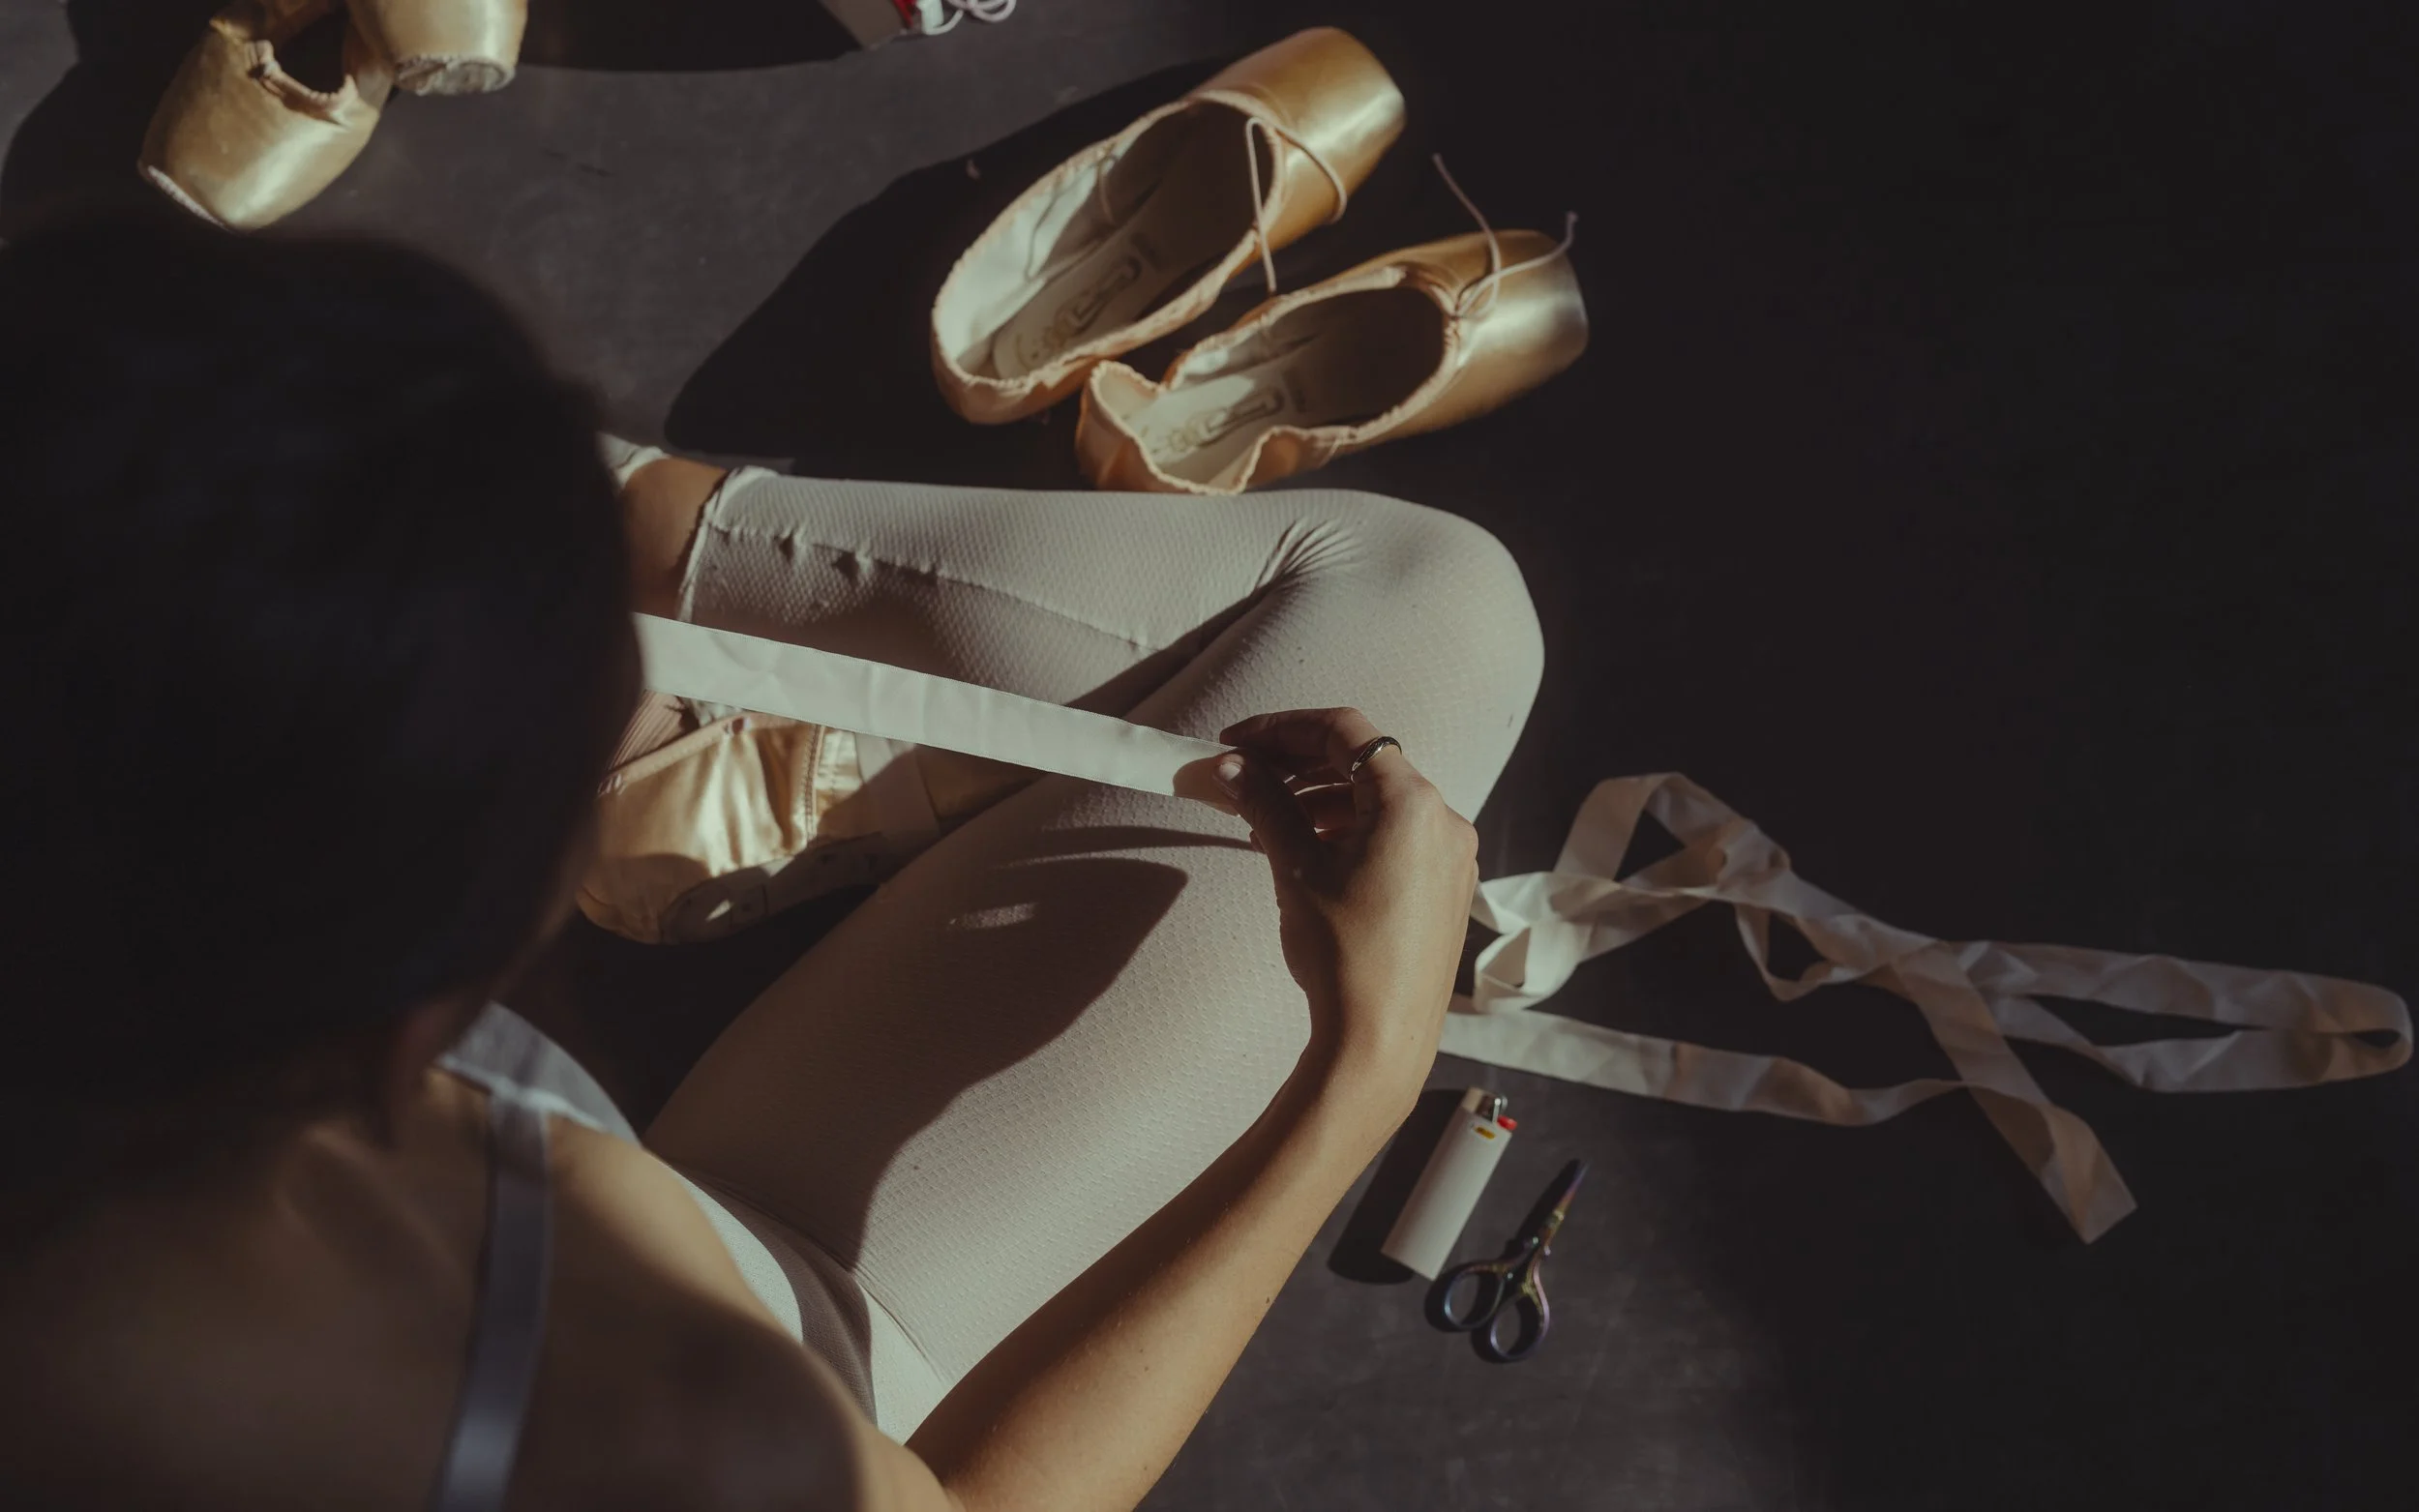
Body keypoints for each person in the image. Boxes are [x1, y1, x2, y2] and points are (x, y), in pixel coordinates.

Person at [0, 215, 1541, 1510]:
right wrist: (1356, 1085)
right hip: (816, 1314)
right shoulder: (666, 1422)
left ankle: (667, 686)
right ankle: (689, 687)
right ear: (446, 966)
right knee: (1431, 602)